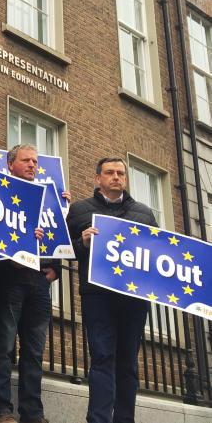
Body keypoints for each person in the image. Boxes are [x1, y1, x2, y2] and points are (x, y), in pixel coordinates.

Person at [68, 158, 156, 423]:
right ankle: (98, 419)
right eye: (109, 173)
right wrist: (82, 243)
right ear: (98, 178)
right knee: (102, 357)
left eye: (120, 173)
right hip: (98, 297)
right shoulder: (80, 210)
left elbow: (157, 255)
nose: (116, 177)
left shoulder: (145, 213)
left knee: (128, 362)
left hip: (134, 299)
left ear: (125, 179)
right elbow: (62, 249)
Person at [0, 144, 69, 423]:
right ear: (11, 164)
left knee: (34, 351)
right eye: (26, 160)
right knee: (4, 345)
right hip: (10, 280)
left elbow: (56, 236)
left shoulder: (48, 197)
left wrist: (55, 270)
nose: (32, 165)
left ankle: (32, 414)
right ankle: (1, 410)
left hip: (40, 282)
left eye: (35, 161)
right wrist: (11, 259)